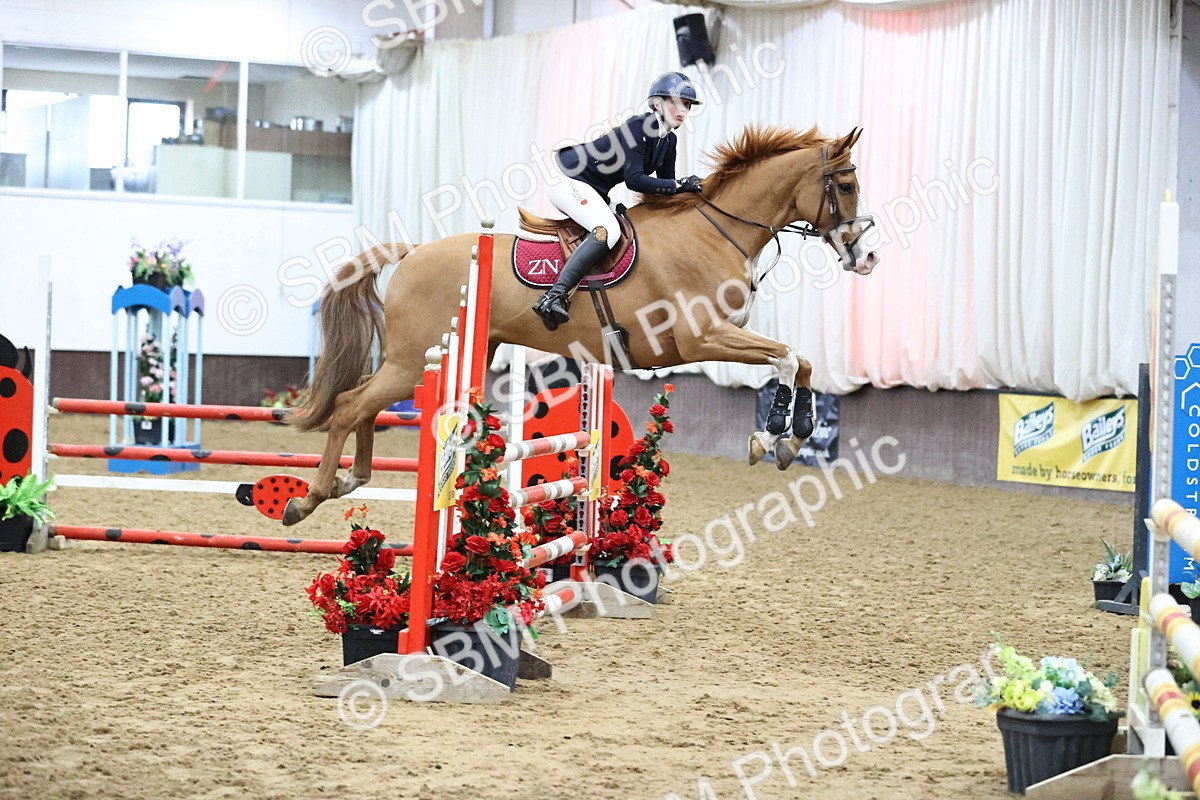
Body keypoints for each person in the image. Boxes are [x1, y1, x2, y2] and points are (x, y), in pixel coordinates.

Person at [532, 71, 704, 331]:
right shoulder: (638, 128)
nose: (683, 110)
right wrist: (678, 185)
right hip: (567, 179)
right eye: (676, 102)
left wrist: (694, 194)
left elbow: (665, 188)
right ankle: (553, 296)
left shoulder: (669, 140)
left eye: (688, 105)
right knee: (608, 231)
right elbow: (635, 180)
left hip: (595, 190)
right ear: (657, 103)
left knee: (629, 226)